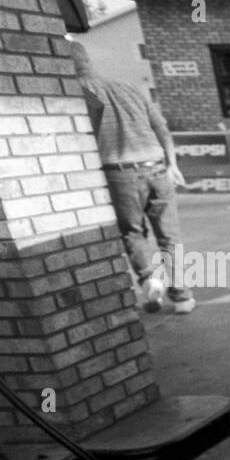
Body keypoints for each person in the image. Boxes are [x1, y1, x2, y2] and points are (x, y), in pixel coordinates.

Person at [70, 42, 195, 314]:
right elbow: (162, 129)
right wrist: (172, 165)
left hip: (119, 173)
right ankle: (182, 296)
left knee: (133, 233)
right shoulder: (129, 88)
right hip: (157, 168)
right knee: (170, 237)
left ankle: (150, 279)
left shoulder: (79, 93)